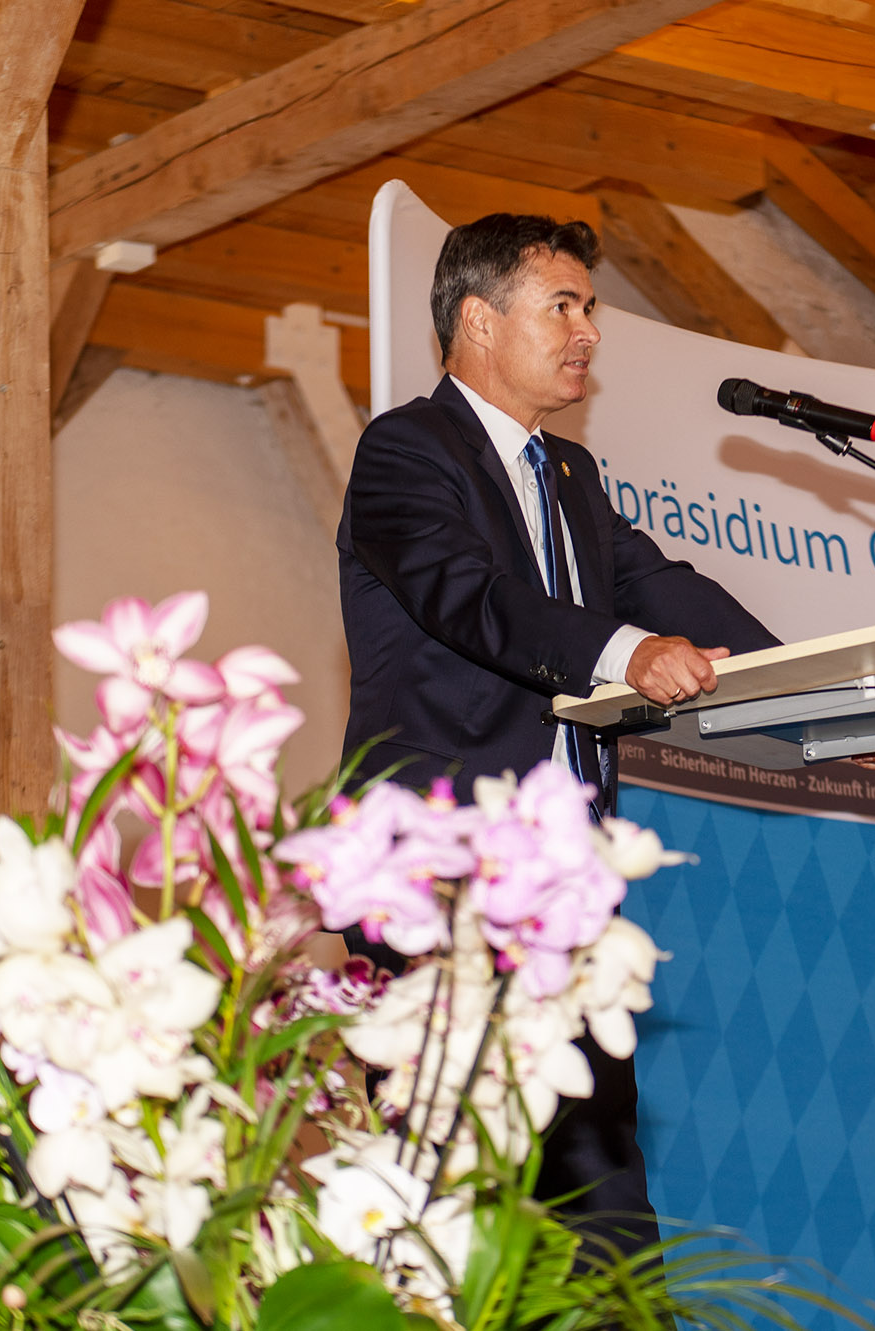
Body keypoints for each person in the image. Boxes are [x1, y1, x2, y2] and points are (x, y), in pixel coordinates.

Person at [335, 213, 780, 1252]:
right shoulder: (405, 450)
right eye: (562, 306)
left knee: (603, 1220)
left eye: (590, 308)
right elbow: (473, 599)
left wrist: (828, 677)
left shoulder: (569, 476)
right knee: (449, 1212)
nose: (588, 331)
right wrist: (627, 651)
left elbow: (663, 585)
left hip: (567, 900)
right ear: (479, 321)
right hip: (442, 883)